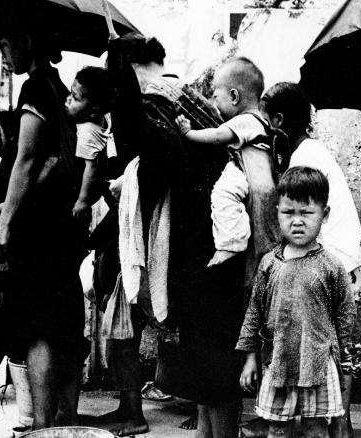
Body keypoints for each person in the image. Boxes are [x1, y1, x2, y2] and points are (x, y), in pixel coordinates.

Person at [107, 32, 247, 438]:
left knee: (212, 358)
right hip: (217, 244)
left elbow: (162, 163)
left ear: (126, 72)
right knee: (206, 357)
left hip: (206, 250)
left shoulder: (151, 104)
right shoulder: (190, 100)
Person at [0, 19, 88, 429]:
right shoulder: (61, 91)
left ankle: (45, 426)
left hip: (38, 229)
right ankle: (62, 420)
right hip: (62, 228)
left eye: (6, 44)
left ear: (29, 40)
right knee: (61, 325)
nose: (4, 54)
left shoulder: (36, 87)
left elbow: (28, 160)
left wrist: (4, 223)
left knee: (38, 331)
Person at [261, 81, 361, 437]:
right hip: (340, 257)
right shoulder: (312, 151)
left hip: (327, 262)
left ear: (278, 119)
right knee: (330, 347)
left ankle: (337, 425)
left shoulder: (304, 159)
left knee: (327, 349)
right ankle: (337, 425)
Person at [236, 166, 356, 438]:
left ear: (324, 214)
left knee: (315, 430)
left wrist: (343, 359)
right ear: (277, 211)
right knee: (277, 429)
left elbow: (345, 314)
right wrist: (250, 358)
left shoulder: (331, 266)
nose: (297, 221)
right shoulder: (269, 264)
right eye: (288, 213)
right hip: (278, 362)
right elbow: (254, 312)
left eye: (306, 213)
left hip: (318, 364)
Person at [174, 57, 274, 269]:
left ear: (234, 96)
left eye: (216, 95)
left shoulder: (245, 120)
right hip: (260, 177)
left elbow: (218, 136)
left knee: (222, 195)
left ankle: (231, 242)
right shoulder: (262, 121)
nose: (213, 102)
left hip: (244, 171)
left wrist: (188, 133)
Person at [65, 65, 114, 221]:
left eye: (75, 97)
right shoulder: (103, 118)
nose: (68, 99)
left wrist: (83, 200)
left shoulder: (87, 132)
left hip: (89, 189)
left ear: (93, 111)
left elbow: (91, 167)